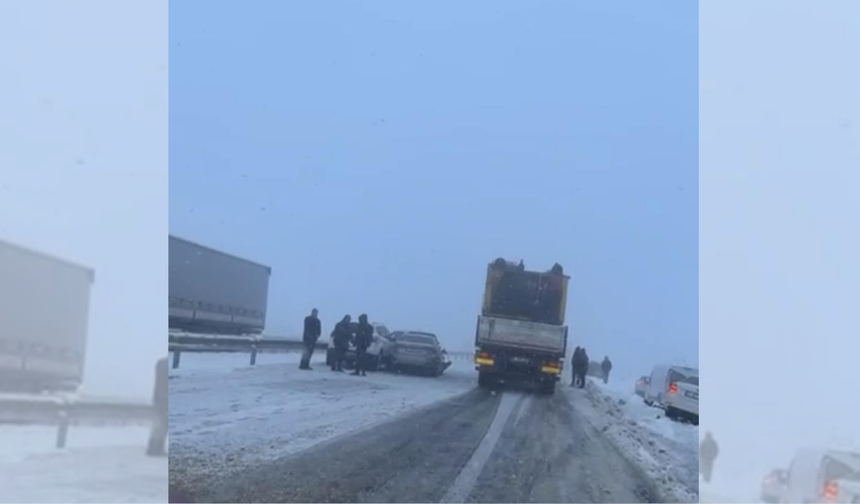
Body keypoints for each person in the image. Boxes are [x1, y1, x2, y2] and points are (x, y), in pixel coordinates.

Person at [147, 356, 168, 456]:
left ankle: (155, 447)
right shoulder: (164, 364)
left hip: (159, 397)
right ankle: (155, 448)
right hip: (163, 398)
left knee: (160, 423)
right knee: (162, 424)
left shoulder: (161, 363)